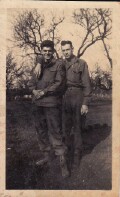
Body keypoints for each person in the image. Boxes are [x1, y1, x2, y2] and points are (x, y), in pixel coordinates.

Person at [28, 40, 69, 178]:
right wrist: (33, 91)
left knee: (55, 132)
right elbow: (31, 82)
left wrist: (44, 92)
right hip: (37, 104)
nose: (47, 53)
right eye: (44, 51)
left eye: (49, 51)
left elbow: (59, 84)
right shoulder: (37, 64)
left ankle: (63, 162)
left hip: (52, 104)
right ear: (41, 51)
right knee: (41, 131)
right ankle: (46, 156)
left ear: (53, 51)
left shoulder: (59, 64)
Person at [61, 40, 91, 167]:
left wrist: (85, 103)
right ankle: (66, 153)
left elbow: (87, 84)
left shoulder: (81, 63)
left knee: (78, 127)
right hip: (65, 97)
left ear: (72, 49)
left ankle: (77, 155)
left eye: (68, 49)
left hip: (78, 96)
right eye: (63, 50)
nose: (66, 52)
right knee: (65, 127)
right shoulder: (60, 63)